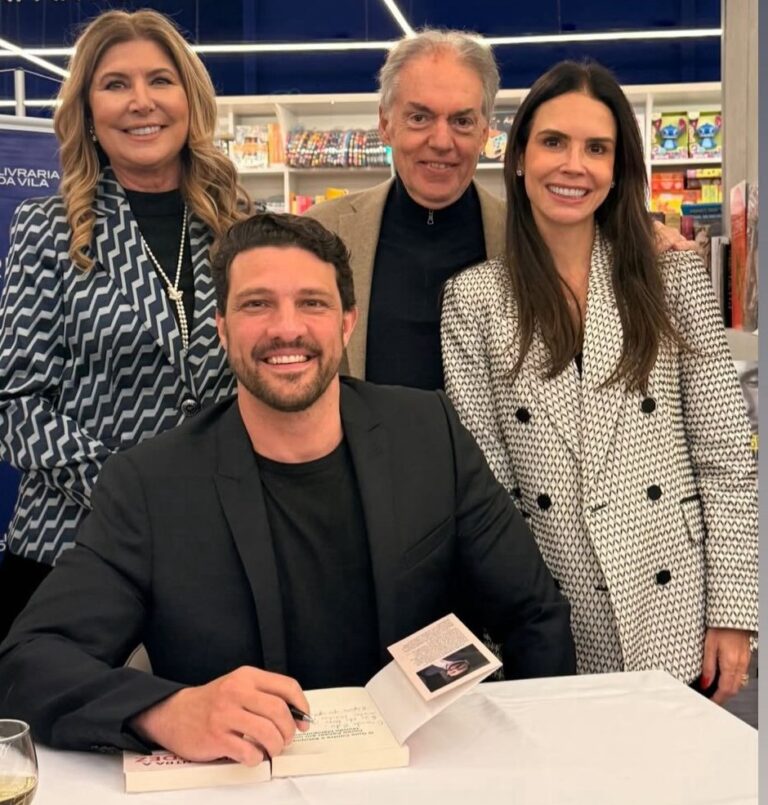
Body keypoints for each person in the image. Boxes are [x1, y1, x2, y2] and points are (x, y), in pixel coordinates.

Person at [0, 212, 575, 763]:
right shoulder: (150, 485)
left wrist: (530, 760)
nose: (287, 328)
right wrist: (167, 711)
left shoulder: (428, 436)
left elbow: (534, 615)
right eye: (256, 305)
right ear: (222, 328)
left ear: (347, 321)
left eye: (312, 303)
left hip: (420, 774)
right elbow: (30, 660)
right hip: (245, 782)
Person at [441, 60, 757, 706]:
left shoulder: (673, 282)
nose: (573, 165)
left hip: (673, 605)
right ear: (521, 157)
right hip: (549, 605)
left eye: (597, 148)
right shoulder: (475, 300)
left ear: (618, 169)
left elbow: (725, 460)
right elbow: (488, 483)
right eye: (554, 141)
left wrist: (735, 611)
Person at [0, 9, 248, 639]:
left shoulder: (241, 226)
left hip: (217, 549)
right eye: (115, 84)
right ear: (86, 108)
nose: (142, 102)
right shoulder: (47, 228)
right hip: (73, 547)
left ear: (189, 99)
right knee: (66, 731)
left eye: (160, 81)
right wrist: (135, 496)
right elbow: (16, 405)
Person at [306, 29, 692, 391]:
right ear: (385, 124)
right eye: (420, 117)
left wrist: (645, 236)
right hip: (366, 461)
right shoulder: (319, 232)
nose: (441, 141)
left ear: (486, 133)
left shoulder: (534, 235)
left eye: (462, 121)